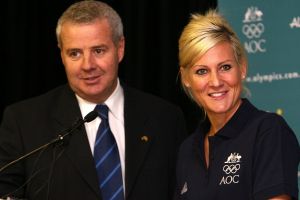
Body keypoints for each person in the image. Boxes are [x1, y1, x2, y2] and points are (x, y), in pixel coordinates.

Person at [0, 1, 187, 199]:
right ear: (62, 55)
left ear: (120, 48)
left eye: (98, 51)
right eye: (75, 53)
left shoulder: (165, 118)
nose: (87, 65)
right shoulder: (23, 122)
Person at [174, 10, 300, 200]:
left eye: (225, 67)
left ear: (242, 68)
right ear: (186, 78)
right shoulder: (188, 150)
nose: (216, 82)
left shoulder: (268, 131)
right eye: (202, 71)